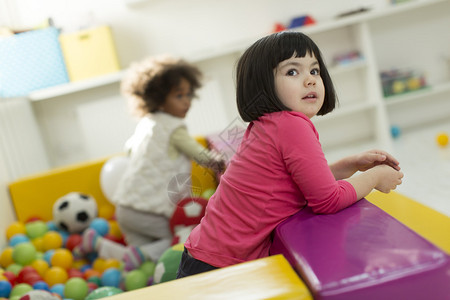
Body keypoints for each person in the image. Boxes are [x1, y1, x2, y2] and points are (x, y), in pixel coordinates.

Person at [176, 31, 404, 278]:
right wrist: (375, 177)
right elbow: (327, 201)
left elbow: (292, 183)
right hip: (220, 267)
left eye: (314, 70)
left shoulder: (267, 124)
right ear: (263, 86)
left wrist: (351, 165)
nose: (310, 80)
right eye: (292, 72)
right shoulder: (291, 126)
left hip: (204, 256)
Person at [75, 55, 225, 270]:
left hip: (125, 208)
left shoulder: (146, 124)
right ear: (159, 99)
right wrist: (223, 162)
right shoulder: (174, 128)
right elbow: (202, 156)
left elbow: (129, 151)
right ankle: (137, 255)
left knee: (140, 264)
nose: (187, 101)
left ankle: (99, 245)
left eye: (189, 94)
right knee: (181, 239)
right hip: (150, 210)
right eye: (179, 95)